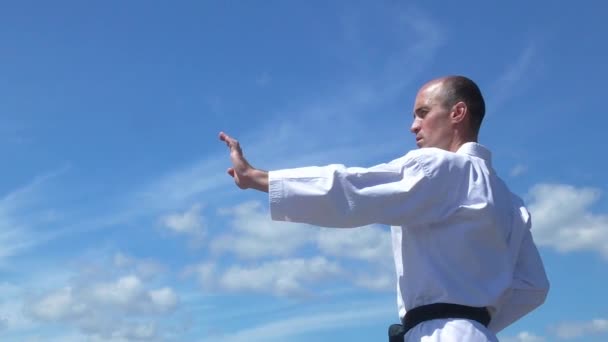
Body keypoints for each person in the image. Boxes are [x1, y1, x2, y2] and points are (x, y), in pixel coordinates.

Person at [218, 75, 549, 342]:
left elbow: (354, 189)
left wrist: (260, 179)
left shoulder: (442, 168)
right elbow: (533, 287)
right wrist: (477, 323)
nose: (413, 126)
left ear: (457, 113)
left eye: (422, 113)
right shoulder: (510, 201)